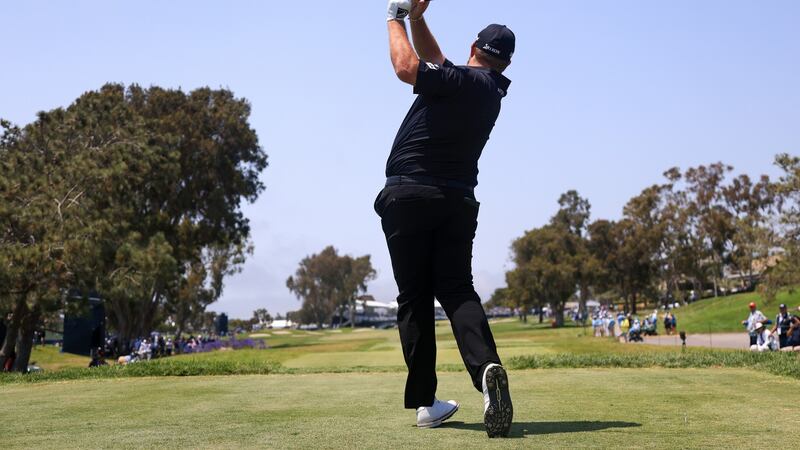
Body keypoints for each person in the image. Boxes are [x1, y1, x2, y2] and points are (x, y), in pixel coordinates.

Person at [378, 0, 515, 437]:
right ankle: (486, 367)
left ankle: (427, 402)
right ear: (506, 63)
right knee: (456, 288)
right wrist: (418, 19)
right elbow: (436, 61)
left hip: (410, 195)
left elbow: (407, 68)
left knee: (415, 298)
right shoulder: (487, 89)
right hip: (457, 201)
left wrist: (394, 17)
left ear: (474, 47)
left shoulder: (458, 80)